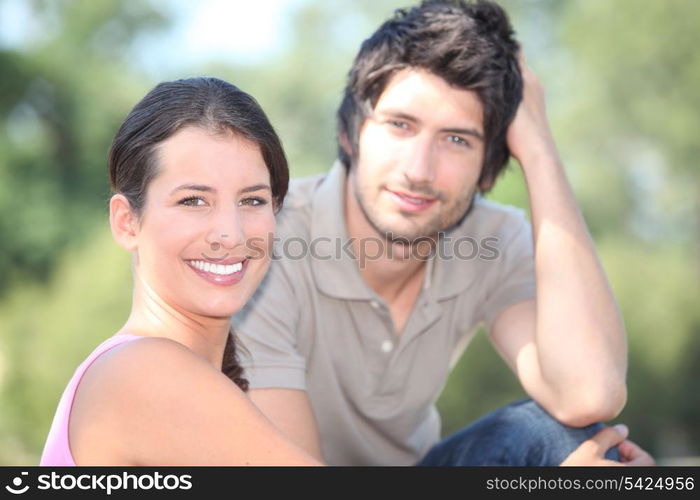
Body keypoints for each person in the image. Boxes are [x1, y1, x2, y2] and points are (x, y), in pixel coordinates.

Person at [233, 0, 655, 466]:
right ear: (349, 133)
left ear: (489, 170)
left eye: (457, 140)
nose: (419, 171)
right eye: (399, 125)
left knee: (575, 444)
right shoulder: (269, 240)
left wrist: (539, 151)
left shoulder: (492, 237)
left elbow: (587, 393)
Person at [40, 77, 320, 465]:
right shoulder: (143, 373)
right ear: (127, 222)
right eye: (193, 200)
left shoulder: (187, 380)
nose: (230, 233)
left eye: (252, 200)